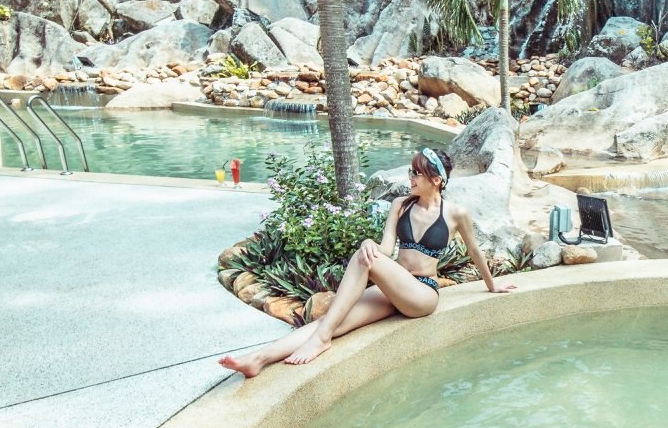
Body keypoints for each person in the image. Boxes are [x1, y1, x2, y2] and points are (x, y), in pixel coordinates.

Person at [220, 147, 515, 379]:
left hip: (422, 294)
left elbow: (475, 251)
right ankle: (259, 359)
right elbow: (385, 249)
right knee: (332, 319)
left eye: (417, 174)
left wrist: (493, 285)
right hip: (392, 289)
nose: (410, 178)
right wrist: (369, 244)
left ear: (436, 180)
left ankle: (320, 340)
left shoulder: (455, 213)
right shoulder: (401, 205)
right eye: (411, 171)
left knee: (360, 269)